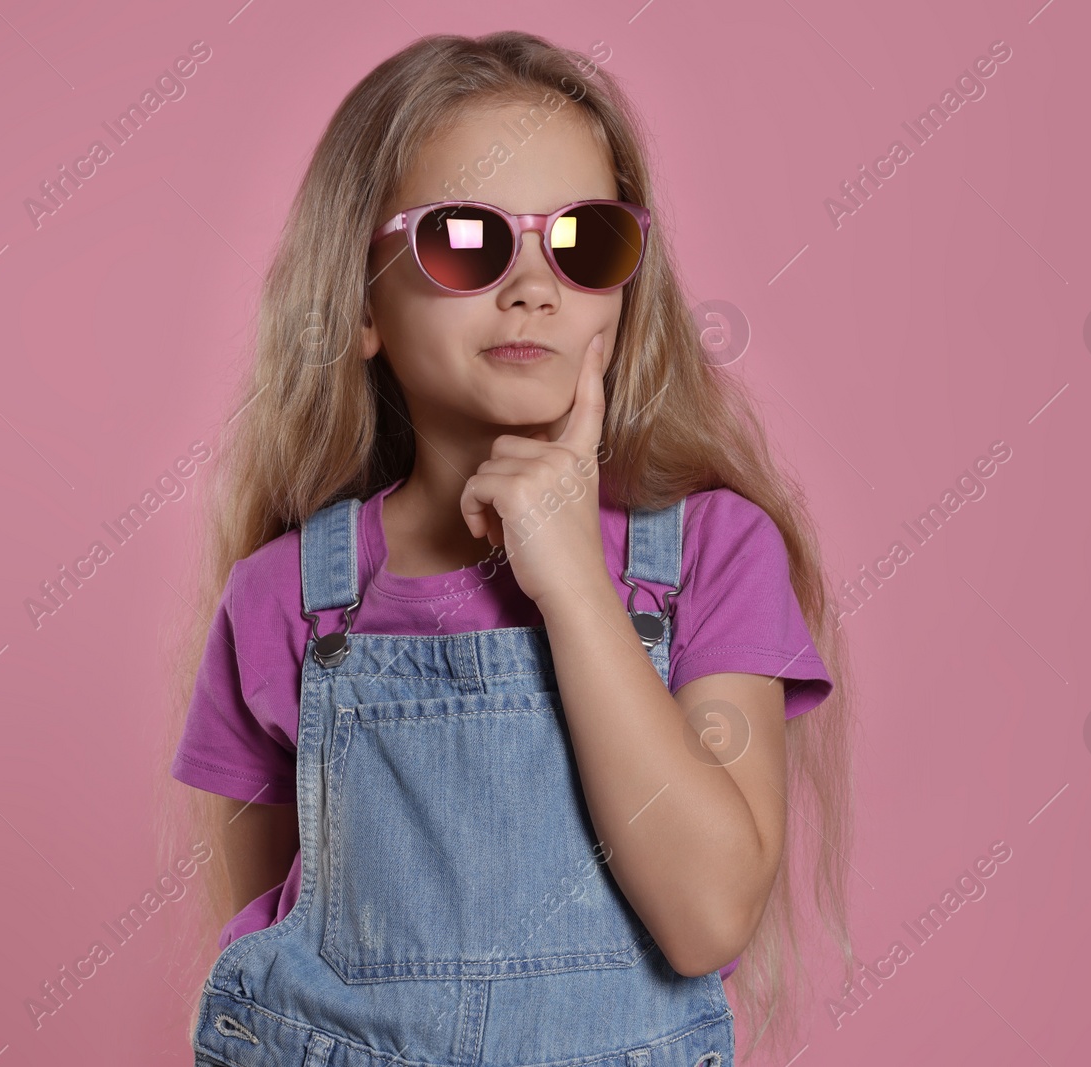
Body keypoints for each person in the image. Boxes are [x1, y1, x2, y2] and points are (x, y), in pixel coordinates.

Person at [158, 30, 857, 1067]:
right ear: (359, 302)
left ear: (621, 299)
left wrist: (572, 578)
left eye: (585, 244)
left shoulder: (712, 553)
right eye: (466, 242)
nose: (533, 285)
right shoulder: (285, 598)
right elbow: (276, 950)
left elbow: (707, 911)